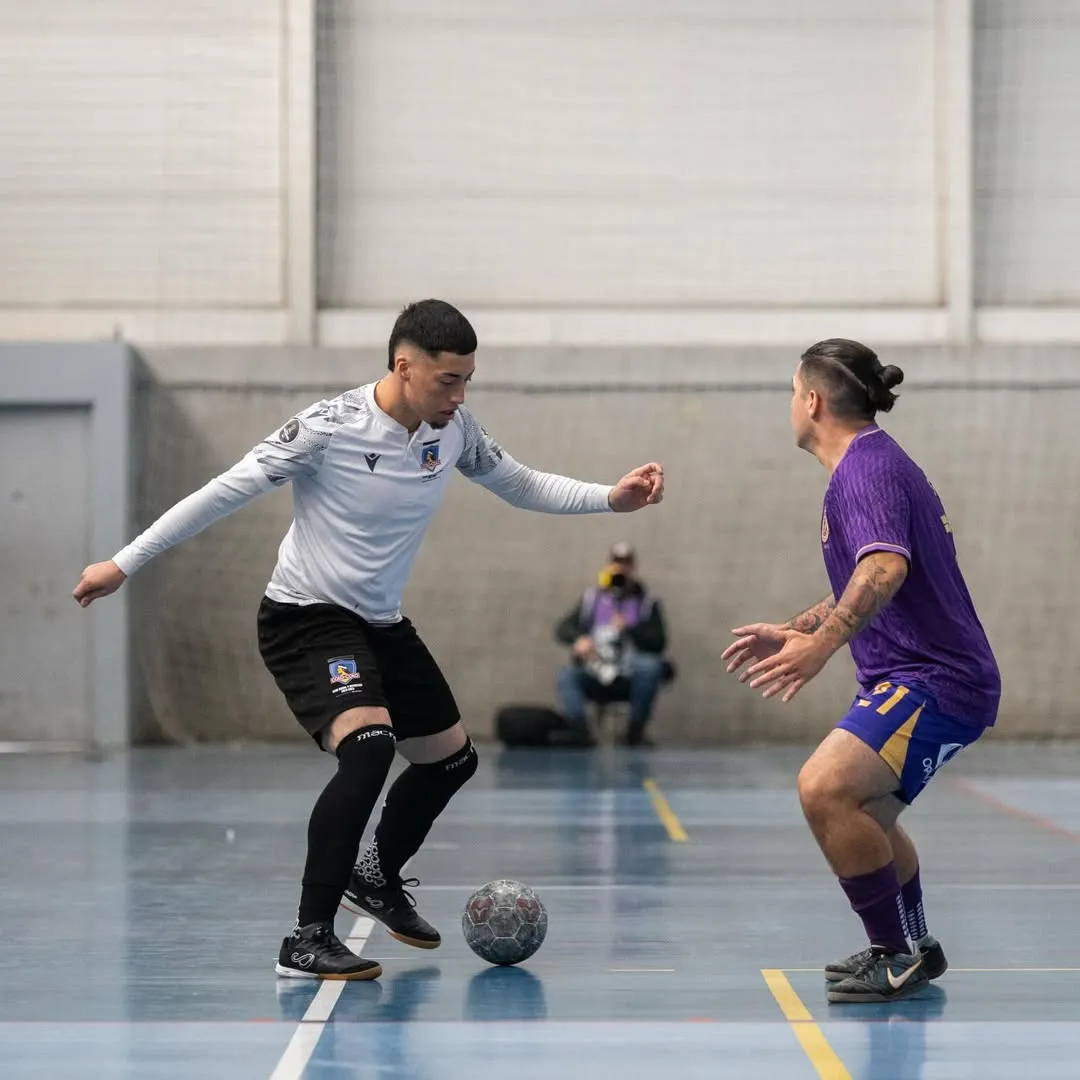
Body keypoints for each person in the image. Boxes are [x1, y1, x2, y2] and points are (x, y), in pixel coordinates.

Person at [72, 299, 665, 981]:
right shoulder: (328, 428)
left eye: (468, 380)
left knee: (451, 760)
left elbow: (521, 483)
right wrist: (124, 563)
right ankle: (307, 938)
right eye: (448, 380)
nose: (460, 395)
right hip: (306, 617)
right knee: (370, 748)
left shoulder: (455, 431)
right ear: (404, 366)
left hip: (379, 622)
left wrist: (610, 498)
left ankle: (376, 874)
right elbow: (222, 492)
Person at [721, 338, 1000, 1004]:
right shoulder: (870, 465)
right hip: (918, 676)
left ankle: (894, 956)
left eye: (792, 393)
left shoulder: (864, 469)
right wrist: (799, 629)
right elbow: (865, 580)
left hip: (936, 679)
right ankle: (912, 948)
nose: (791, 405)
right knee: (865, 809)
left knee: (825, 788)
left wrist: (821, 649)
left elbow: (884, 568)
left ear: (813, 400)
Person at [554, 542, 670, 746]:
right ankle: (579, 730)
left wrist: (630, 628)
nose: (621, 567)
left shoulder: (647, 601)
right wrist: (579, 639)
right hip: (597, 671)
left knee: (650, 667)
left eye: (626, 562)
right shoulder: (592, 599)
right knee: (567, 676)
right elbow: (563, 629)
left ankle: (635, 732)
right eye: (617, 562)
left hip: (630, 675)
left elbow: (659, 641)